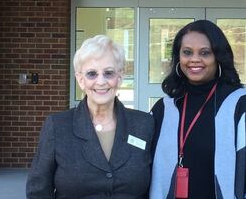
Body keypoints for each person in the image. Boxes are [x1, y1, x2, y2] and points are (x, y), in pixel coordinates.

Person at [149, 20, 246, 199]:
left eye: (205, 53)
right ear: (179, 57)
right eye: (187, 52)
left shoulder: (241, 105)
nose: (194, 59)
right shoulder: (164, 107)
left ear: (218, 57)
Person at [27, 35, 154, 199]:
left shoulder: (144, 124)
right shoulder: (57, 126)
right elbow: (38, 190)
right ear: (80, 80)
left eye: (108, 73)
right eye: (92, 74)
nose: (101, 81)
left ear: (120, 77)